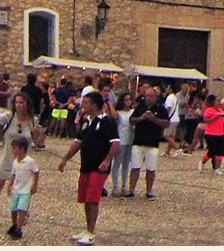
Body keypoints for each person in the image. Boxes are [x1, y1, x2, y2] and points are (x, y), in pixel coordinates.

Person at [57, 91, 118, 246]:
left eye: (85, 103)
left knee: (92, 199)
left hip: (99, 167)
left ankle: (91, 232)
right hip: (86, 164)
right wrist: (65, 159)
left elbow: (115, 143)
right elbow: (78, 142)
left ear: (94, 105)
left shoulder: (107, 122)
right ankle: (87, 229)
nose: (82, 105)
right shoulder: (86, 122)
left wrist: (107, 161)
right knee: (85, 198)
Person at [0, 91, 43, 223]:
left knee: (21, 189)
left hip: (22, 160)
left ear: (26, 104)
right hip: (7, 157)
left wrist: (38, 134)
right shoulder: (10, 116)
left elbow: (36, 141)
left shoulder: (32, 120)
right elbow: (0, 120)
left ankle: (22, 215)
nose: (19, 105)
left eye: (21, 102)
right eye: (17, 102)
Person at [128, 86, 169, 198]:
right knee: (135, 167)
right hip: (138, 141)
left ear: (155, 97)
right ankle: (131, 190)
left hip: (153, 142)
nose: (148, 98)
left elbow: (166, 123)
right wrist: (141, 118)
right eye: (146, 96)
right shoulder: (140, 107)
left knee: (151, 168)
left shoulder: (160, 109)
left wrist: (153, 119)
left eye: (151, 96)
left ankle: (149, 191)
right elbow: (131, 120)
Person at [4, 135, 40, 239]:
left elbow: (36, 172)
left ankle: (19, 228)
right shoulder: (15, 162)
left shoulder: (30, 161)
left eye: (15, 148)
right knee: (13, 208)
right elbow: (14, 175)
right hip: (16, 188)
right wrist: (10, 185)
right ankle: (14, 224)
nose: (13, 150)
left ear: (22, 149)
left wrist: (34, 185)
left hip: (25, 190)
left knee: (22, 209)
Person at [108, 92, 135, 195]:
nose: (128, 102)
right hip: (121, 140)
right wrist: (110, 104)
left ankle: (124, 185)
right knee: (117, 163)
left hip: (130, 140)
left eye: (130, 100)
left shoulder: (133, 112)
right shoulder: (119, 113)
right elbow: (114, 116)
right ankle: (115, 186)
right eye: (126, 100)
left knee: (126, 164)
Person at [199, 94, 224, 172]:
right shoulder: (209, 110)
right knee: (212, 150)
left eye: (220, 101)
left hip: (220, 133)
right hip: (210, 133)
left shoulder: (221, 111)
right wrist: (214, 118)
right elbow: (205, 120)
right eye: (217, 101)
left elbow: (223, 122)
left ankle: (217, 168)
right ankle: (202, 162)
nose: (219, 103)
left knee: (220, 151)